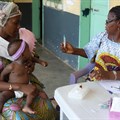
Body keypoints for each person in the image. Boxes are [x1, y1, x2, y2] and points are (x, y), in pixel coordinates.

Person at [0, 1, 58, 120]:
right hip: (6, 89)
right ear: (2, 23)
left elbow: (31, 59)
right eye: (15, 23)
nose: (18, 26)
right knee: (19, 116)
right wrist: (19, 87)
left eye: (19, 22)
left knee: (46, 108)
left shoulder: (23, 37)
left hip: (26, 82)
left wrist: (31, 67)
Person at [61, 5, 120, 81]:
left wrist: (107, 74)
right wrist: (74, 50)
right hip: (94, 83)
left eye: (108, 21)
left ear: (119, 23)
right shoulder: (102, 37)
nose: (105, 24)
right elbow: (89, 52)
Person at [0, 39, 43, 114]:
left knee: (34, 90)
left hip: (26, 86)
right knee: (3, 97)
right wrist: (2, 81)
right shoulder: (12, 66)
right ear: (23, 54)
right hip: (12, 89)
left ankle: (27, 106)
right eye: (28, 50)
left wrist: (41, 62)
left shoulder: (27, 60)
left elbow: (34, 58)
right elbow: (3, 74)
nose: (30, 51)